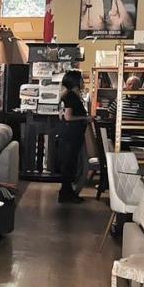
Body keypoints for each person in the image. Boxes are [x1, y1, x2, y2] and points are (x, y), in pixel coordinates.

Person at [57, 69, 89, 203]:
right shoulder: (71, 96)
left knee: (70, 164)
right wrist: (85, 118)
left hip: (72, 135)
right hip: (71, 135)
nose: (83, 82)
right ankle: (66, 194)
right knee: (69, 164)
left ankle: (67, 192)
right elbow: (68, 117)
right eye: (81, 80)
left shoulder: (69, 95)